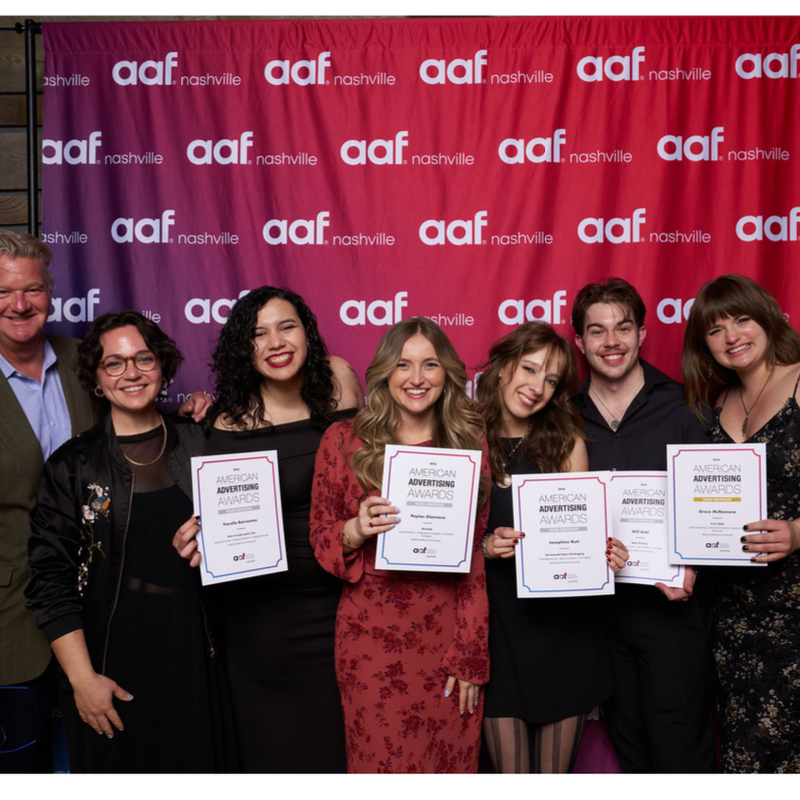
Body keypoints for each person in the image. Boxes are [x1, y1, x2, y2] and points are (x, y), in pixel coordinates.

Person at [25, 310, 234, 772]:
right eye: (114, 363)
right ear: (96, 380)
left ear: (162, 366)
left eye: (143, 358)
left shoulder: (202, 442)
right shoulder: (72, 465)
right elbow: (48, 578)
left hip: (200, 649)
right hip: (112, 655)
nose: (132, 373)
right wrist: (82, 679)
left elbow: (250, 537)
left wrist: (218, 543)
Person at [173, 285, 363, 773]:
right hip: (260, 618)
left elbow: (369, 470)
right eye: (259, 334)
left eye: (287, 326)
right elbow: (214, 507)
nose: (276, 342)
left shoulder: (340, 380)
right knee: (272, 749)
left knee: (343, 748)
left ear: (307, 332)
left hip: (344, 601)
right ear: (243, 347)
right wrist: (197, 537)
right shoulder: (225, 419)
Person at [308, 317, 490, 773]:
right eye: (404, 364)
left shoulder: (470, 444)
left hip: (444, 635)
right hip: (371, 644)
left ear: (446, 373)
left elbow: (474, 558)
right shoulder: (342, 441)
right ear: (385, 372)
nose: (416, 378)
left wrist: (469, 652)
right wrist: (356, 528)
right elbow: (321, 539)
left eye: (429, 364)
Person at [571, 278, 715, 773]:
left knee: (680, 751)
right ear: (579, 342)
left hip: (669, 610)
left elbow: (712, 504)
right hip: (597, 619)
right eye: (597, 331)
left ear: (642, 333)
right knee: (630, 751)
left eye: (623, 328)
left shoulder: (684, 407)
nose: (611, 341)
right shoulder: (564, 418)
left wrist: (692, 564)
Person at [475, 321, 628, 774]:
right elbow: (449, 539)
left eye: (551, 379)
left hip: (564, 632)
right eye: (528, 369)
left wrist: (606, 556)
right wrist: (486, 546)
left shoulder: (565, 442)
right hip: (496, 631)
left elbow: (584, 534)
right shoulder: (464, 437)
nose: (537, 386)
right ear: (503, 367)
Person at [682, 273, 800, 773]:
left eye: (742, 319)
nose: (732, 336)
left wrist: (798, 533)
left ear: (768, 316)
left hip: (794, 609)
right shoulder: (717, 404)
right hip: (733, 615)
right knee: (745, 755)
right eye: (715, 329)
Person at [0, 231, 95, 773]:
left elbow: (135, 433)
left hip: (99, 603)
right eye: (5, 292)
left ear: (50, 293)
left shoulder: (87, 361)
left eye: (32, 290)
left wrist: (191, 413)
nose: (20, 305)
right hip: (11, 616)